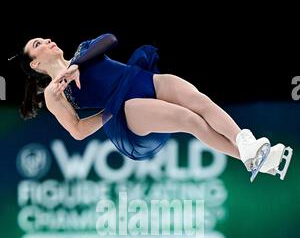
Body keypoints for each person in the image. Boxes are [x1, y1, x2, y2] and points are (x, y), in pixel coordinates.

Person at [15, 34, 292, 182]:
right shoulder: (54, 93)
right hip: (128, 108)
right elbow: (76, 130)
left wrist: (77, 64)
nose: (47, 40)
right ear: (35, 65)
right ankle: (252, 156)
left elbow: (110, 39)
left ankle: (251, 149)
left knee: (201, 101)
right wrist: (109, 111)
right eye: (38, 44)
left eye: (44, 37)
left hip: (142, 79)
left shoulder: (83, 50)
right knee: (188, 119)